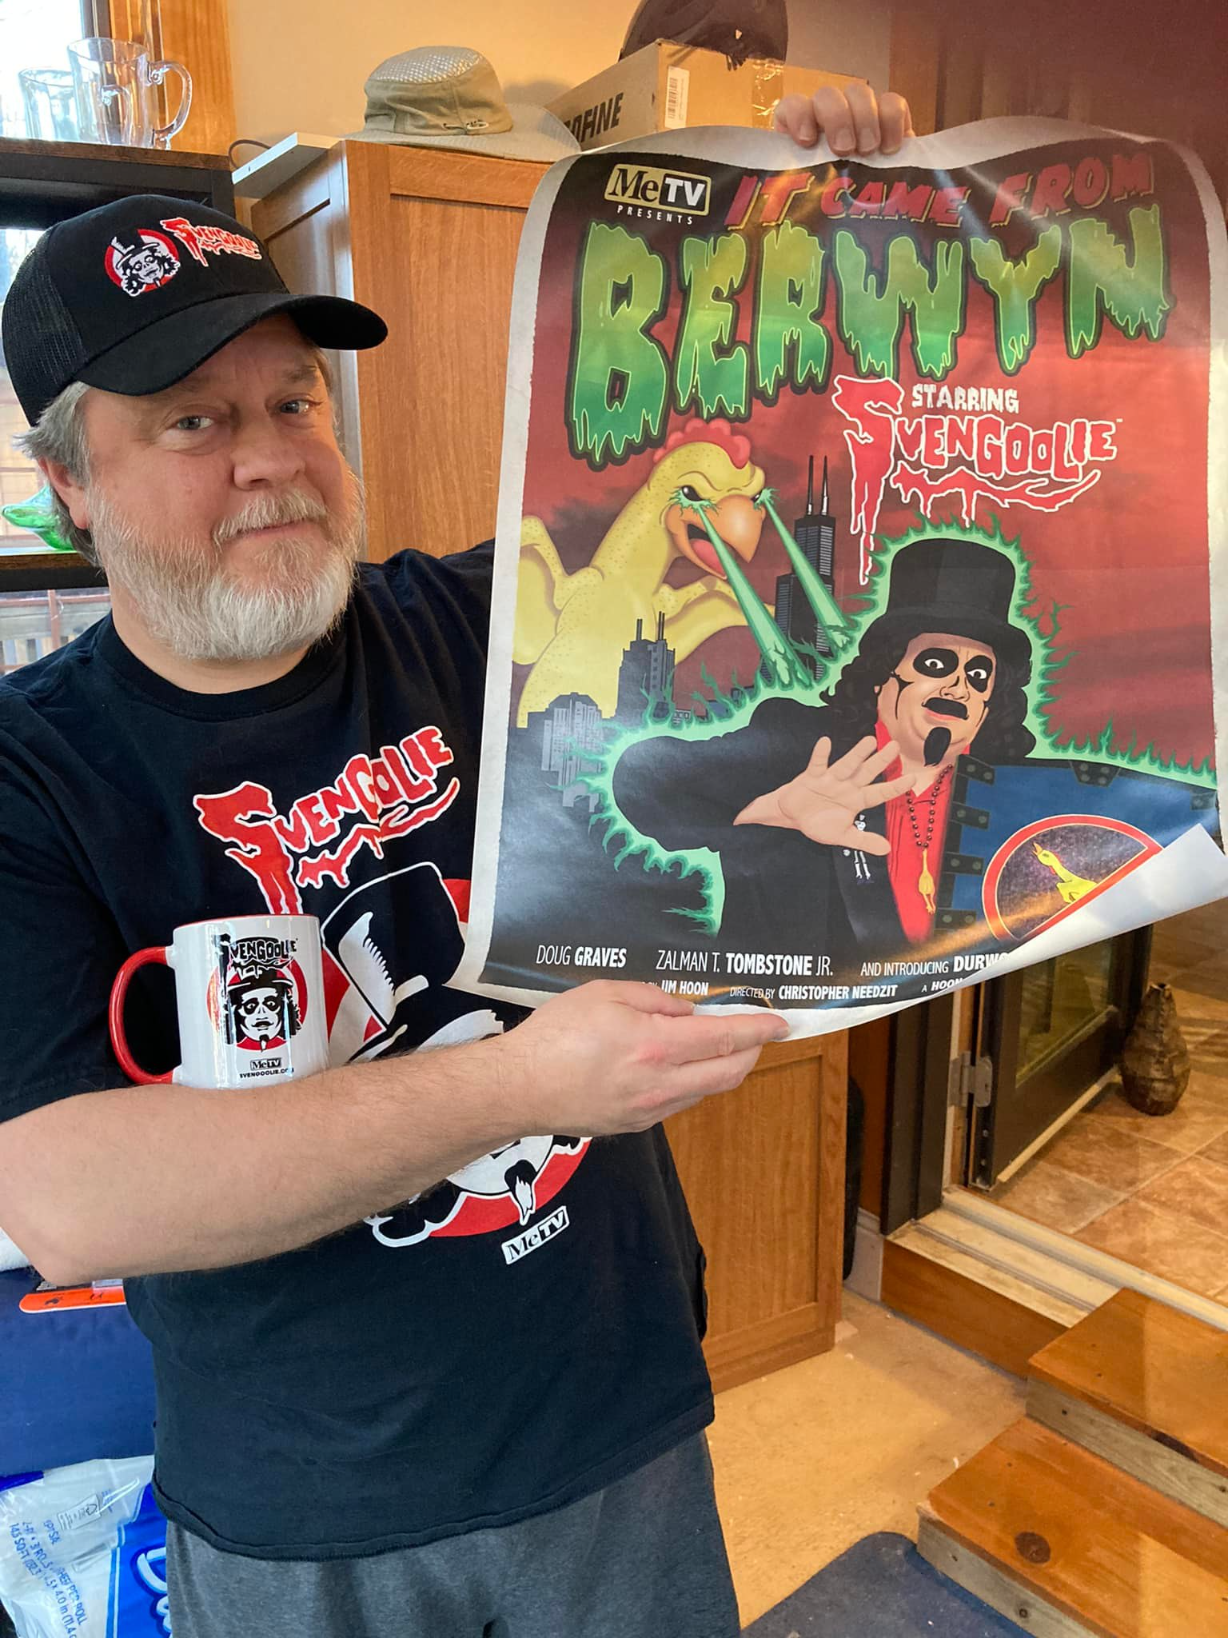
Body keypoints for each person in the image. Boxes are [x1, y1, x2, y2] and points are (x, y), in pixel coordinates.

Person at [0, 86, 910, 1638]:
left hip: (611, 1422)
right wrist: (520, 1083)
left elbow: (764, 466)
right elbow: (69, 1196)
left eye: (295, 402)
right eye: (194, 421)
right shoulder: (32, 774)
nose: (273, 460)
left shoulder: (482, 628)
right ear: (70, 484)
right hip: (299, 1509)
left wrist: (833, 221)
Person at [613, 536, 1037, 968]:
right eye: (935, 664)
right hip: (789, 1007)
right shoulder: (800, 743)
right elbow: (644, 775)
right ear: (884, 674)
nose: (959, 687)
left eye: (979, 675)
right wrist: (771, 810)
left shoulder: (1013, 795)